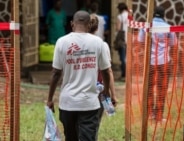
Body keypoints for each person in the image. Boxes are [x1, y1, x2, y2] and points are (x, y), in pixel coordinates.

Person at [46, 10, 111, 141]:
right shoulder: (98, 43)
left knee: (71, 137)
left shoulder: (61, 42)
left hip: (67, 102)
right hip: (89, 103)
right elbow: (105, 70)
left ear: (72, 24)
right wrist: (106, 90)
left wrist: (50, 98)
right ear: (89, 25)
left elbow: (56, 73)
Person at [137, 6, 177, 124]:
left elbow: (140, 41)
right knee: (162, 89)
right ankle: (159, 116)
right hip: (164, 62)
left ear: (153, 14)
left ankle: (149, 114)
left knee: (149, 88)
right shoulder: (169, 27)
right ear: (164, 15)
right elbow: (173, 44)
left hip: (149, 62)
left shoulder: (146, 26)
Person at [89, 14, 118, 140]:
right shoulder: (102, 45)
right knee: (94, 125)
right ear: (97, 28)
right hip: (98, 90)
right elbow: (108, 71)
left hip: (79, 90)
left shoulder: (74, 44)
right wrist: (112, 94)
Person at [116, 2, 131, 81]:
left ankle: (124, 75)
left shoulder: (120, 16)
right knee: (128, 58)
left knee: (123, 58)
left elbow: (118, 28)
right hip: (129, 38)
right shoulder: (130, 16)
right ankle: (128, 75)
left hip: (122, 40)